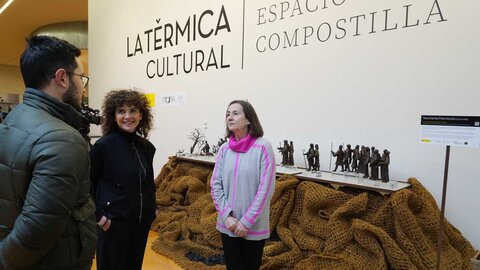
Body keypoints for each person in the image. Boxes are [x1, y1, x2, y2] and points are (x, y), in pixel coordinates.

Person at [0, 35, 97, 269]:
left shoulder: (15, 117)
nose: (83, 88)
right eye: (81, 78)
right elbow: (37, 230)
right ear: (62, 78)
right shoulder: (62, 138)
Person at [90, 89, 157, 270]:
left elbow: (148, 183)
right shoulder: (103, 146)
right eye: (121, 111)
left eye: (133, 110)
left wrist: (152, 209)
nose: (128, 116)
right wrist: (99, 216)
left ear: (141, 115)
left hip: (140, 225)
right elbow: (86, 185)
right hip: (112, 224)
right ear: (114, 115)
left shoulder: (147, 147)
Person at [211, 100, 276, 270]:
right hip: (229, 224)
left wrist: (246, 222)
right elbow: (215, 185)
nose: (230, 117)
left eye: (235, 113)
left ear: (248, 119)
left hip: (252, 227)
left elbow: (266, 189)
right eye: (227, 114)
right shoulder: (224, 149)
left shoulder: (263, 147)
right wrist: (227, 216)